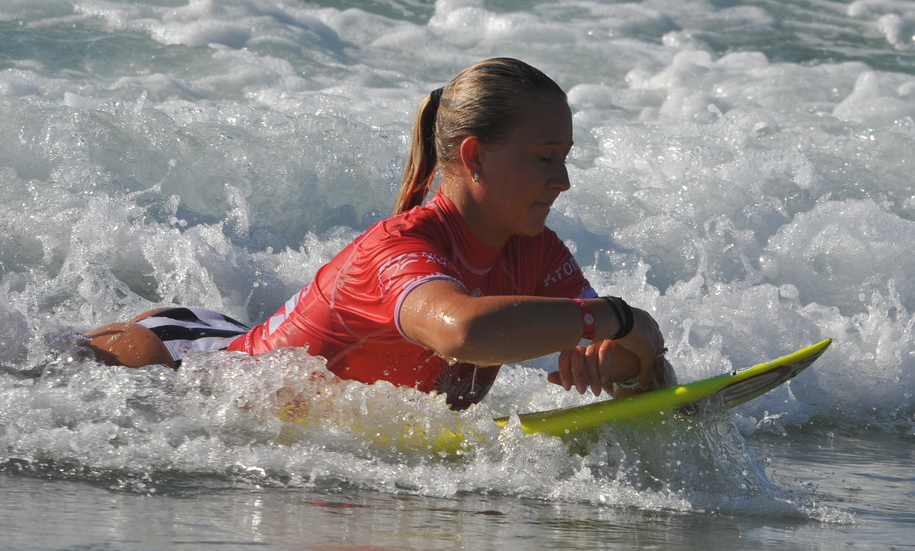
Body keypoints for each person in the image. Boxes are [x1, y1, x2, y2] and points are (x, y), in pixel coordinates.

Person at [84, 57, 673, 407]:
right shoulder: (399, 250)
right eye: (545, 158)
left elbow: (627, 364)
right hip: (182, 368)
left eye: (565, 157)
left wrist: (629, 340)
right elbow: (463, 331)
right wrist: (617, 320)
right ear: (475, 158)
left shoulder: (536, 251)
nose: (563, 180)